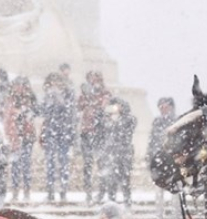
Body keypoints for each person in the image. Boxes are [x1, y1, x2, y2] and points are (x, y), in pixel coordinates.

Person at [40, 71, 77, 202]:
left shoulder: (68, 95)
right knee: (50, 163)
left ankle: (63, 191)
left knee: (63, 164)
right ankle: (50, 191)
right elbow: (43, 111)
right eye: (52, 82)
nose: (55, 84)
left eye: (57, 82)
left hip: (63, 133)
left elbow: (69, 112)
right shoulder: (47, 96)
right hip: (51, 132)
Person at [2, 76, 39, 201]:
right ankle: (15, 191)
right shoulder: (10, 100)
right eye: (17, 85)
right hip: (14, 136)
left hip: (27, 136)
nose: (19, 88)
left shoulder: (30, 99)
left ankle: (27, 191)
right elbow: (7, 117)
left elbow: (36, 112)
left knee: (26, 164)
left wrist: (25, 113)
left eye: (22, 85)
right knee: (15, 165)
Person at [78, 71, 111, 204]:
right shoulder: (85, 94)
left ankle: (101, 193)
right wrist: (86, 97)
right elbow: (79, 107)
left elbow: (105, 108)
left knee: (101, 165)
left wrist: (98, 103)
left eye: (96, 80)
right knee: (87, 165)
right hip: (86, 133)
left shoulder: (105, 94)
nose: (94, 82)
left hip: (99, 133)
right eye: (91, 80)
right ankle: (88, 193)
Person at [98, 97, 137, 205]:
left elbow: (129, 126)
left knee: (125, 181)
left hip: (124, 154)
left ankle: (127, 203)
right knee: (111, 181)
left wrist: (120, 115)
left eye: (117, 106)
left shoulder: (128, 119)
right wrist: (104, 110)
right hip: (111, 155)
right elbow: (100, 127)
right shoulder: (108, 119)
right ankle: (111, 203)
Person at [147, 97, 178, 219]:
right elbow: (152, 142)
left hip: (173, 162)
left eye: (164, 106)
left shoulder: (176, 121)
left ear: (170, 107)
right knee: (158, 191)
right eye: (160, 107)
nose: (162, 109)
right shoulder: (156, 122)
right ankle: (158, 216)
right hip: (159, 162)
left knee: (175, 191)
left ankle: (176, 217)